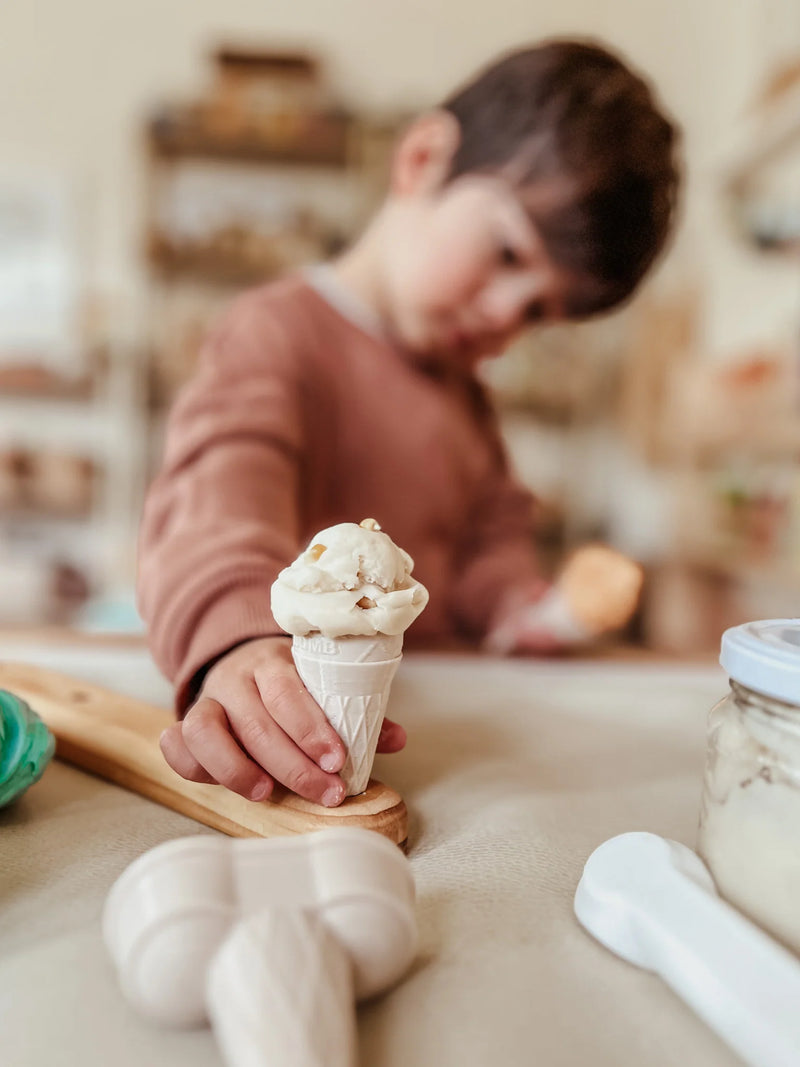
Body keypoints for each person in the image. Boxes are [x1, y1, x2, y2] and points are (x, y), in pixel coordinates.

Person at [138, 38, 680, 810]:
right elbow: (216, 504)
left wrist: (517, 605)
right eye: (505, 252)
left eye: (538, 312)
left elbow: (492, 537)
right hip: (290, 739)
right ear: (423, 158)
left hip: (441, 749)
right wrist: (238, 642)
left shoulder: (469, 401)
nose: (503, 315)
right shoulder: (275, 334)